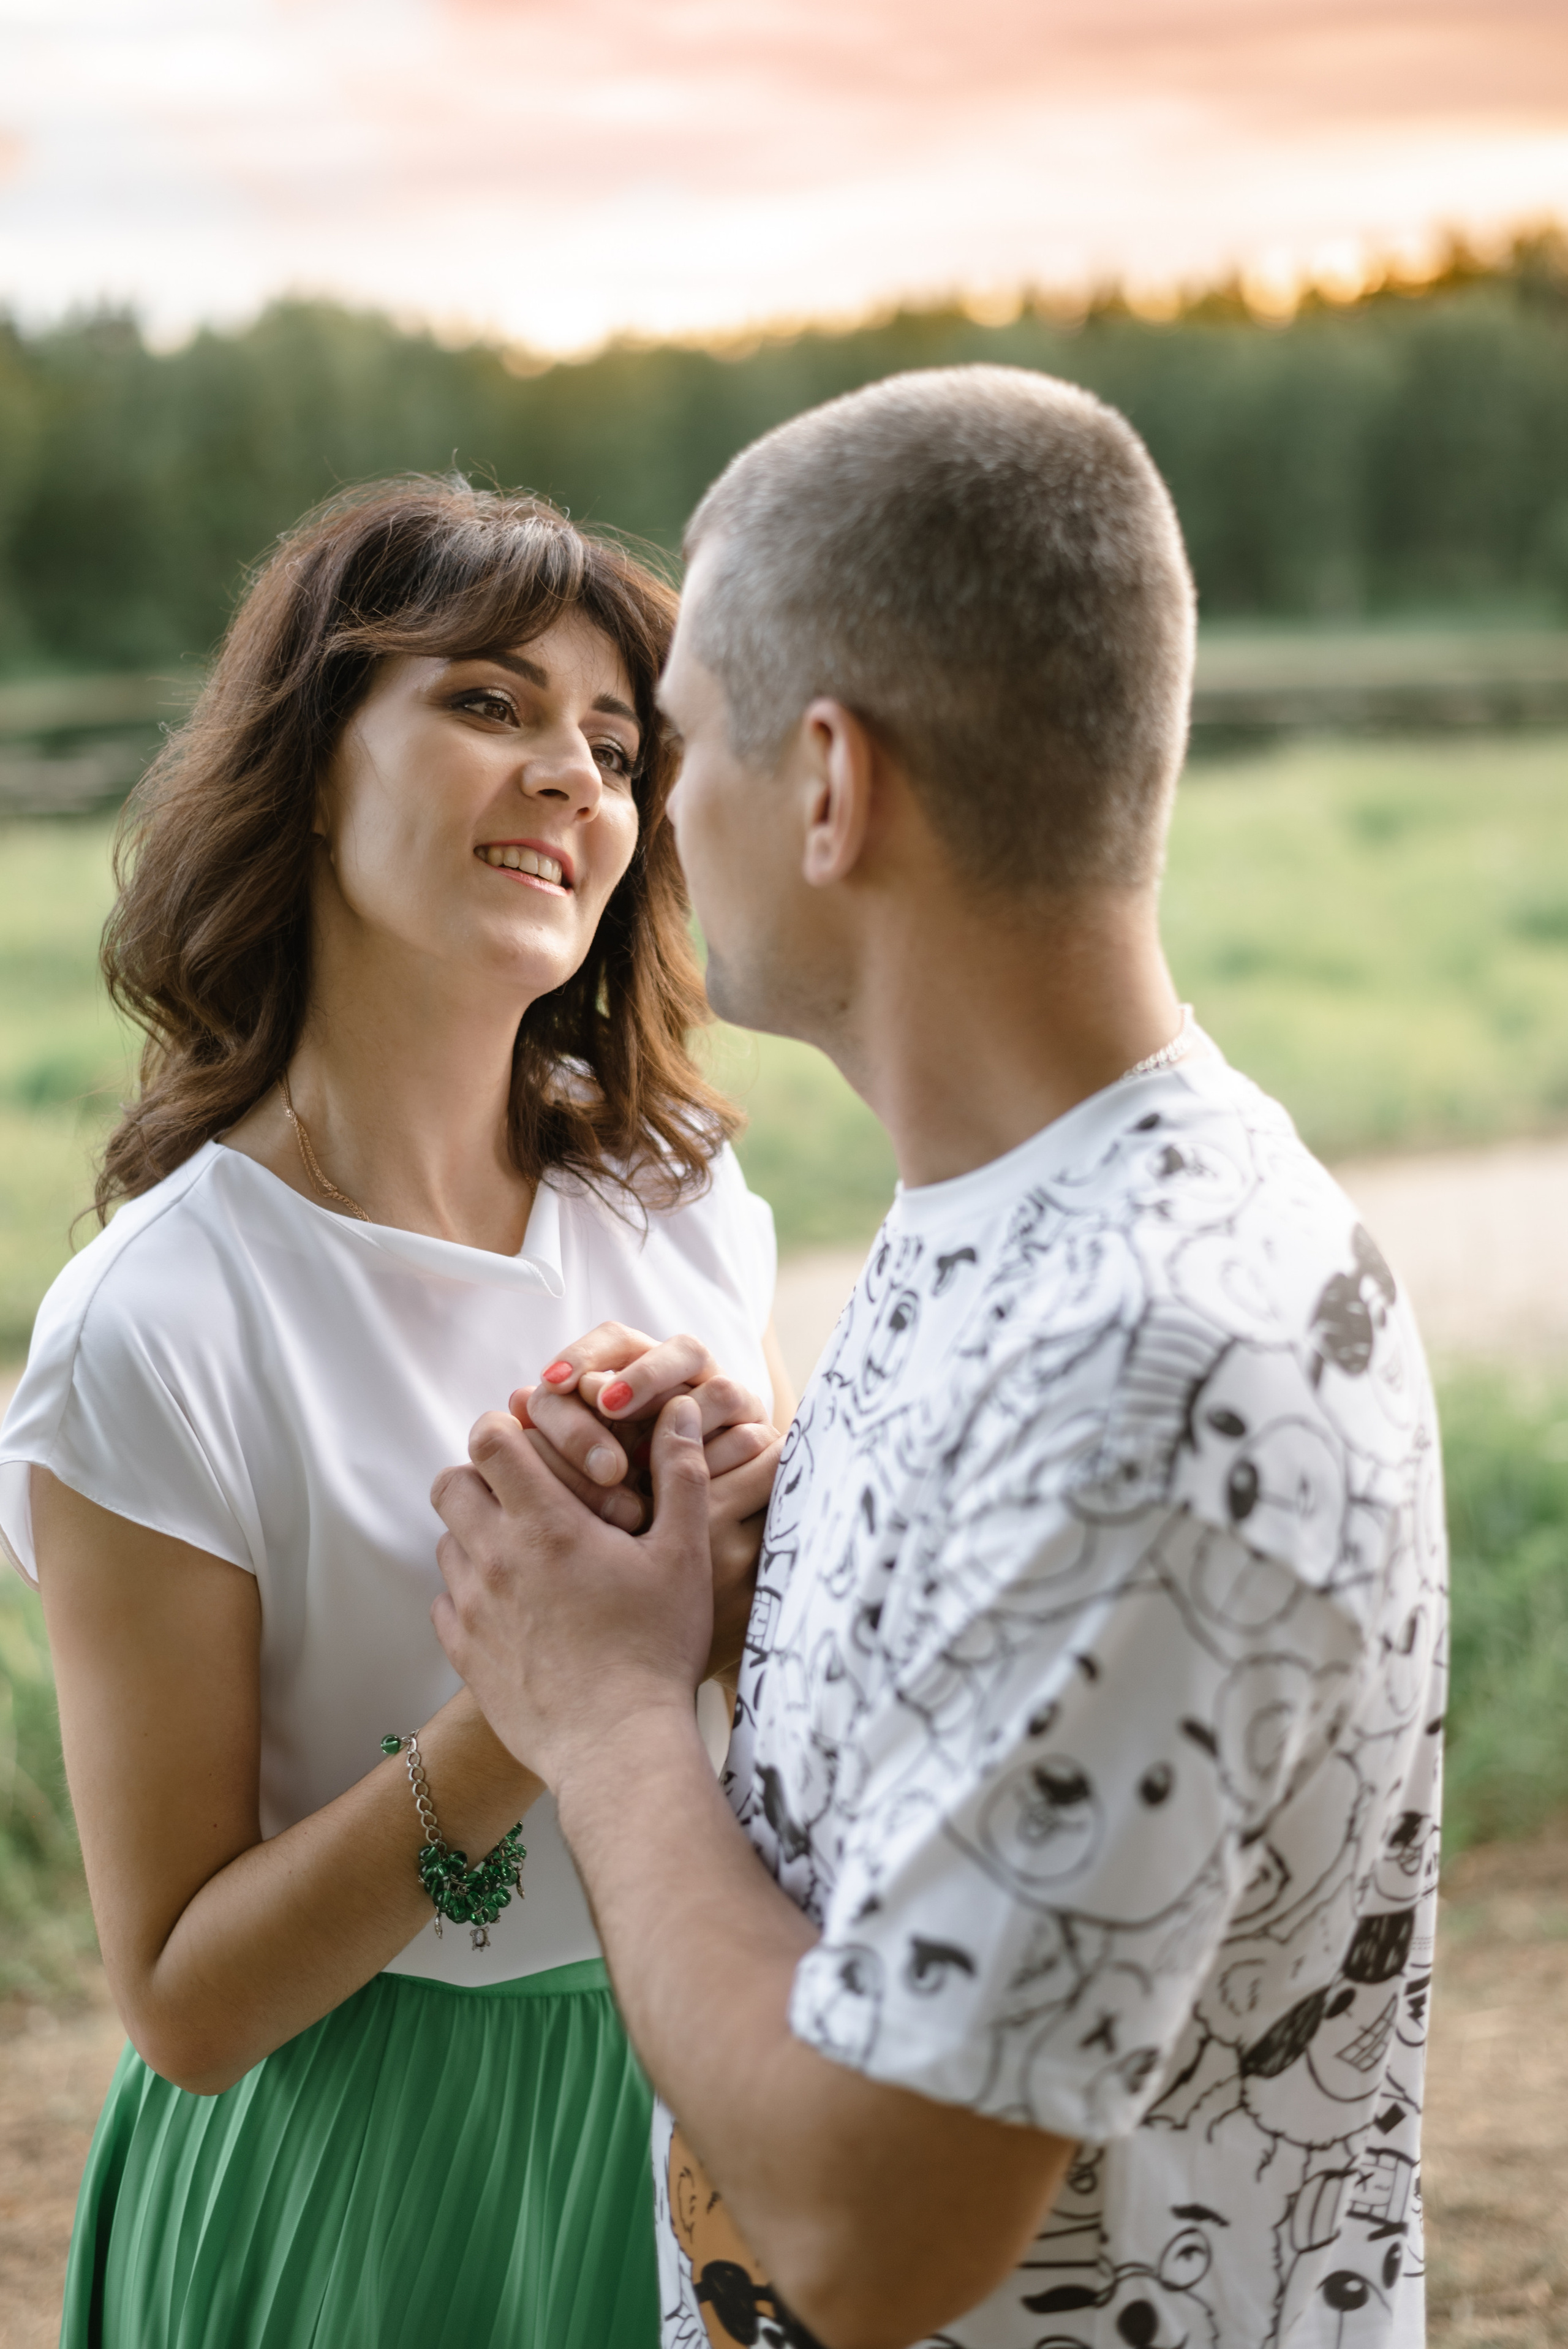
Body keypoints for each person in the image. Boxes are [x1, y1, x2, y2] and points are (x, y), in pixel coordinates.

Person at [430, 369, 1447, 2349]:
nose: (652, 820)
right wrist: (746, 1566)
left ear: (828, 783)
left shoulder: (1153, 1360)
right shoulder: (1007, 1201)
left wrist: (609, 1712)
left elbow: (873, 2233)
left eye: (683, 744)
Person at [0, 478, 792, 2348]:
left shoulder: (684, 1203)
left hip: (694, 2110)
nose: (574, 779)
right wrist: (530, 1700)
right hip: (355, 2186)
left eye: (615, 744)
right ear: (310, 763)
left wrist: (768, 1546)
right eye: (490, 705)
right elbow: (187, 2002)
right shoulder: (161, 1322)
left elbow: (749, 1709)